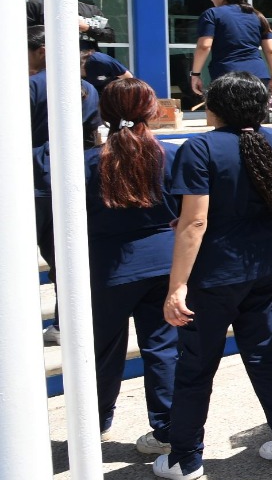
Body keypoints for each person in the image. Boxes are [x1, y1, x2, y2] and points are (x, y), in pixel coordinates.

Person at [155, 72, 272, 480]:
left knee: (196, 365)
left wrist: (176, 287)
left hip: (216, 274)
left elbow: (194, 224)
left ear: (216, 107)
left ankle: (184, 457)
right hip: (269, 264)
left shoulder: (200, 146)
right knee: (266, 353)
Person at [43, 76, 178, 451]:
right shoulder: (171, 154)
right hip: (165, 264)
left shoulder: (86, 163)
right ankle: (167, 430)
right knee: (163, 348)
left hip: (106, 270)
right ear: (151, 111)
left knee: (98, 352)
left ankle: (93, 425)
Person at [29, 25, 101, 345]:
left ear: (42, 52)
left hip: (32, 182)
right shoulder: (87, 88)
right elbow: (93, 135)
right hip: (69, 181)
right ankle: (64, 323)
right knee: (66, 259)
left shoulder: (31, 86)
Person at [190, 0, 272, 97]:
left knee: (227, 114)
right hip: (258, 77)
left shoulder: (212, 14)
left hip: (227, 77)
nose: (212, 0)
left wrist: (195, 75)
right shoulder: (257, 16)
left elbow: (204, 46)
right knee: (256, 114)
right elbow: (270, 50)